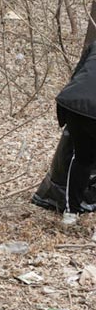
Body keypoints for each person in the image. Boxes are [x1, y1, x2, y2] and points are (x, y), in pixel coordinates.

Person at [53, 41, 96, 224]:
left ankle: (71, 213)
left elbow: (78, 72)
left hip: (72, 102)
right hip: (88, 107)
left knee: (81, 158)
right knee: (83, 158)